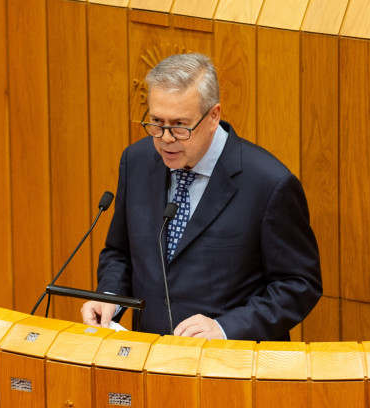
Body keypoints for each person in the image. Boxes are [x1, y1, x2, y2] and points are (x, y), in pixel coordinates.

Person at [81, 53, 321, 341]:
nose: (166, 137)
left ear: (213, 116)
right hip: (148, 361)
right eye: (157, 122)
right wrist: (110, 297)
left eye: (180, 125)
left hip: (229, 369)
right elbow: (119, 253)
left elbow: (299, 285)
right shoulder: (137, 161)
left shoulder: (268, 184)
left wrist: (225, 328)